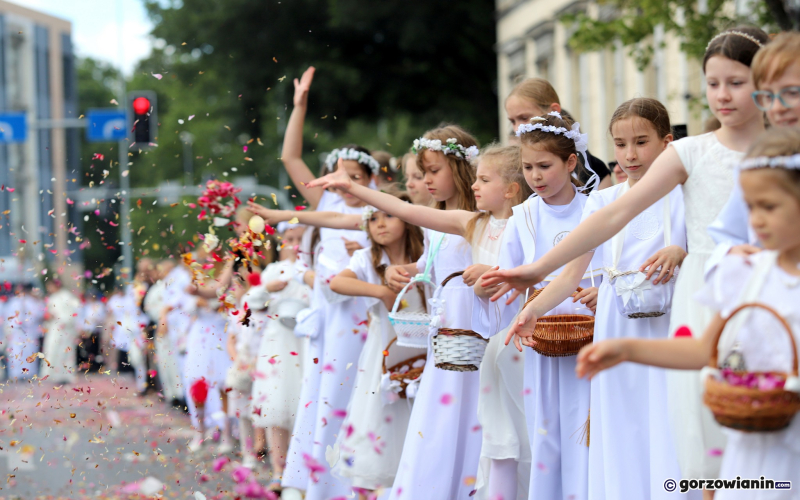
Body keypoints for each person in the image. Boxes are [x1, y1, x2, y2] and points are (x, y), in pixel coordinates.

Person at [482, 27, 771, 487]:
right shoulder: (692, 155)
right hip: (652, 314)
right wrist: (534, 285)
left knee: (732, 429)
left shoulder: (777, 152)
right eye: (712, 83)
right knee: (660, 432)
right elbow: (613, 216)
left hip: (732, 297)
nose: (721, 96)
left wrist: (684, 248)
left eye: (734, 82)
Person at [576, 127, 800, 500]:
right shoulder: (745, 273)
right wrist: (627, 350)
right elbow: (702, 350)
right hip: (751, 451)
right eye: (750, 207)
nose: (755, 221)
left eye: (770, 207)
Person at [510, 98, 690, 499]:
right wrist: (533, 309)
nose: (629, 154)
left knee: (667, 419)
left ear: (667, 142)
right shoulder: (604, 201)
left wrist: (683, 252)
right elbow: (571, 273)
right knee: (622, 423)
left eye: (641, 142)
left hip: (669, 329)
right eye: (619, 143)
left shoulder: (683, 194)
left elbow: (713, 253)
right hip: (615, 328)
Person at [309, 125, 486, 499]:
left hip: (474, 343)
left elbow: (404, 209)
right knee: (436, 436)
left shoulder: (476, 218)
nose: (425, 181)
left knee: (472, 433)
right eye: (422, 174)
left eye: (432, 172)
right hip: (445, 347)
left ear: (459, 167)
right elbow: (431, 266)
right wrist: (401, 271)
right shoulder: (438, 224)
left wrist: (353, 188)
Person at [474, 111, 600, 500]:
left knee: (589, 426)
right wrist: (488, 287)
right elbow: (511, 277)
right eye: (528, 167)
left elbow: (608, 265)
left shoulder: (596, 209)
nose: (536, 176)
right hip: (542, 337)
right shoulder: (524, 215)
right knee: (545, 430)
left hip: (592, 334)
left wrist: (600, 290)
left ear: (571, 162)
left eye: (545, 166)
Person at [270, 66, 376, 499]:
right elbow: (290, 159)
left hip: (364, 312)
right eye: (338, 173)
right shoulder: (327, 201)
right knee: (325, 391)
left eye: (355, 176)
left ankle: (360, 477)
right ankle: (321, 480)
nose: (345, 182)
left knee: (359, 390)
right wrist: (299, 107)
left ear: (371, 179)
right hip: (330, 314)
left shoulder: (379, 210)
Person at [327, 189, 425, 497]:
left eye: (389, 215)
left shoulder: (424, 254)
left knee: (417, 417)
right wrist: (381, 292)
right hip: (383, 349)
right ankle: (369, 490)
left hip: (424, 347)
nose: (380, 224)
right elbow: (337, 282)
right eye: (373, 219)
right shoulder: (367, 259)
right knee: (378, 418)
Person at [708, 32, 800, 261]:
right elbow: (729, 233)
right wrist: (732, 251)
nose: (778, 108)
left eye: (791, 92)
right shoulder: (765, 163)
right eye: (768, 96)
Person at [250, 224, 310, 489]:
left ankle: (303, 470)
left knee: (303, 402)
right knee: (276, 403)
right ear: (281, 242)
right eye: (290, 239)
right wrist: (268, 289)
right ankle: (278, 469)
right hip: (277, 343)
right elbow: (252, 302)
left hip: (307, 341)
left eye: (301, 239)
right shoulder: (273, 271)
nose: (295, 244)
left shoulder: (314, 268)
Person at [505, 77, 612, 190]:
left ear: (554, 111)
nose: (517, 129)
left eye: (524, 118)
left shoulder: (593, 170)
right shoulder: (511, 172)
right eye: (512, 121)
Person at [41, 278, 81, 384]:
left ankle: (65, 376)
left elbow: (73, 314)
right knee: (52, 352)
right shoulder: (52, 298)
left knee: (65, 353)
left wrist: (58, 317)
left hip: (65, 331)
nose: (49, 289)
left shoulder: (67, 297)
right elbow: (48, 313)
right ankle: (53, 376)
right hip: (54, 330)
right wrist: (49, 318)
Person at [4, 284, 45, 380]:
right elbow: (8, 317)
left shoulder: (31, 302)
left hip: (29, 331)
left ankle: (30, 373)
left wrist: (28, 321)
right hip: (16, 331)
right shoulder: (12, 302)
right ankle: (16, 374)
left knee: (29, 351)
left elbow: (38, 313)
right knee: (16, 352)